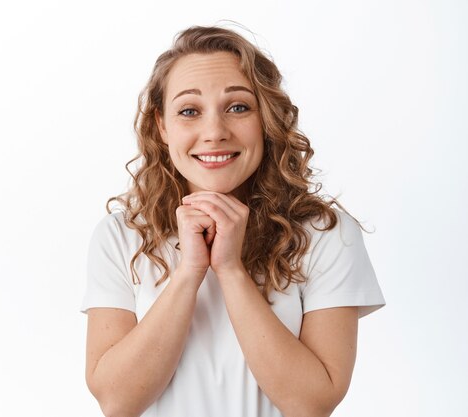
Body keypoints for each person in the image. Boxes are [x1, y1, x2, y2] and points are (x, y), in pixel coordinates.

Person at [80, 25, 386, 417]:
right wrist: (190, 270)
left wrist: (230, 269)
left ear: (267, 118)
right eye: (189, 111)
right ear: (162, 125)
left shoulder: (326, 235)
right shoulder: (120, 236)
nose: (214, 132)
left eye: (238, 107)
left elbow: (312, 404)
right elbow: (118, 401)